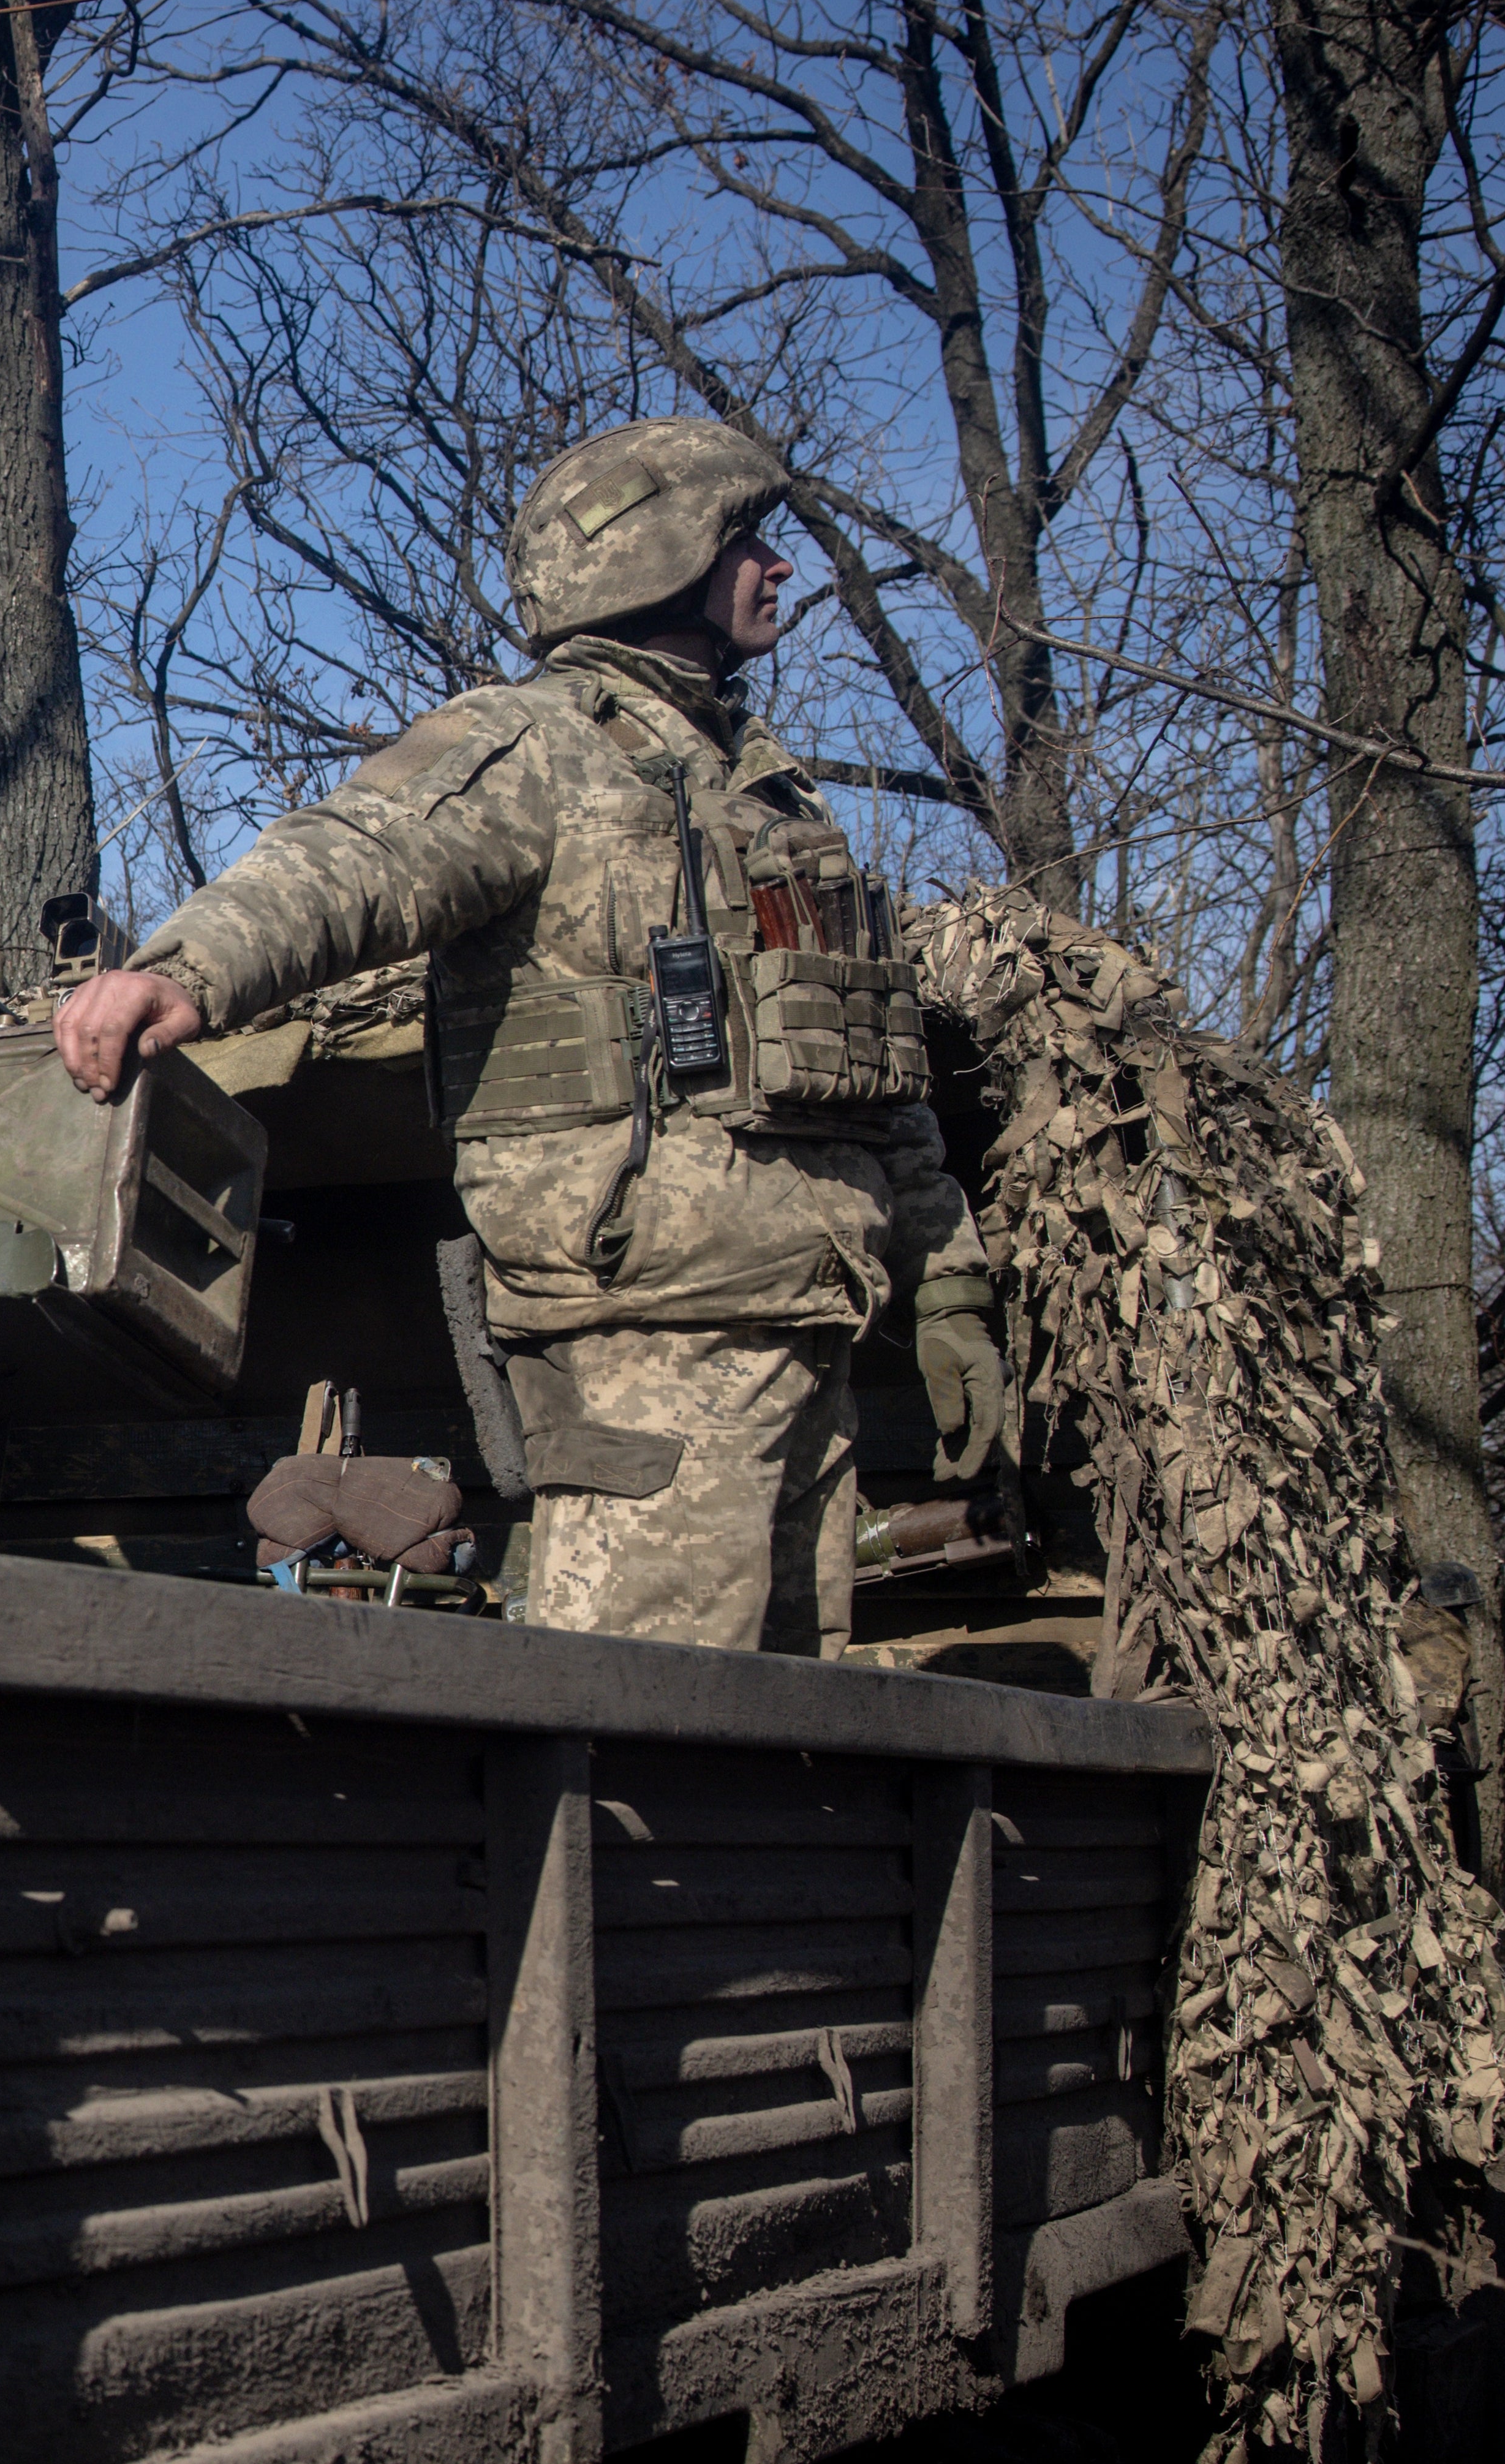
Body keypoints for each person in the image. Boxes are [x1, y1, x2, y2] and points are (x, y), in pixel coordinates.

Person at [51, 417, 1008, 1653]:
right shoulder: (543, 745)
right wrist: (187, 967)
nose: (780, 570)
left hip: (801, 1323)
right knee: (640, 1743)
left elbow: (863, 1064)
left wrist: (947, 1281)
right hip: (649, 1335)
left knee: (777, 1764)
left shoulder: (770, 799)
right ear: (658, 562)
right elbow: (360, 856)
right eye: (747, 542)